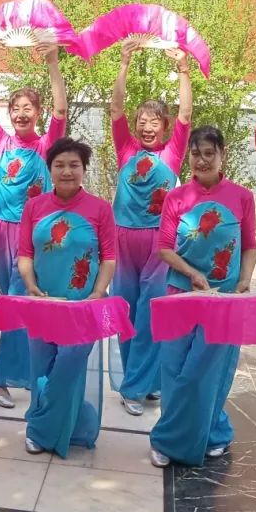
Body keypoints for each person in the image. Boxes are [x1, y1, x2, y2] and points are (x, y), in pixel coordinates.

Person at [149, 126, 256, 467]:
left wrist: (244, 280)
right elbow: (165, 248)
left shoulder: (242, 197)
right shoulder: (176, 198)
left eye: (210, 153)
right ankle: (168, 439)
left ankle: (213, 433)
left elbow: (249, 245)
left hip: (224, 298)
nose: (202, 160)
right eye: (196, 154)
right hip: (180, 294)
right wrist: (192, 274)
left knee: (208, 371)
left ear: (223, 155)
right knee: (174, 367)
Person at [0, 41, 68, 409]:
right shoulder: (1, 142)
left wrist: (52, 62)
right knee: (9, 301)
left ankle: (2, 378)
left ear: (38, 113)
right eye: (15, 108)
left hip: (31, 232)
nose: (20, 113)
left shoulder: (46, 146)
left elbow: (61, 108)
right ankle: (22, 371)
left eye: (27, 108)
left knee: (17, 299)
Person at [15, 137, 116, 457]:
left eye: (74, 165)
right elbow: (25, 254)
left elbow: (109, 257)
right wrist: (30, 285)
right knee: (42, 370)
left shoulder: (100, 209)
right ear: (50, 170)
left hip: (83, 307)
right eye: (59, 165)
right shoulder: (34, 207)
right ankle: (69, 425)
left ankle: (40, 429)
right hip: (42, 302)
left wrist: (97, 292)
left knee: (68, 366)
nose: (67, 171)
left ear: (84, 169)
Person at [108, 42, 192, 416]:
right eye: (142, 121)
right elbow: (115, 108)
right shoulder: (126, 149)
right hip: (122, 238)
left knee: (151, 312)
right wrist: (124, 62)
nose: (146, 126)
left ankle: (136, 386)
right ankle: (139, 379)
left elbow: (186, 113)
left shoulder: (172, 154)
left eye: (154, 121)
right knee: (126, 311)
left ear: (165, 127)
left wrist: (184, 69)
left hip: (159, 243)